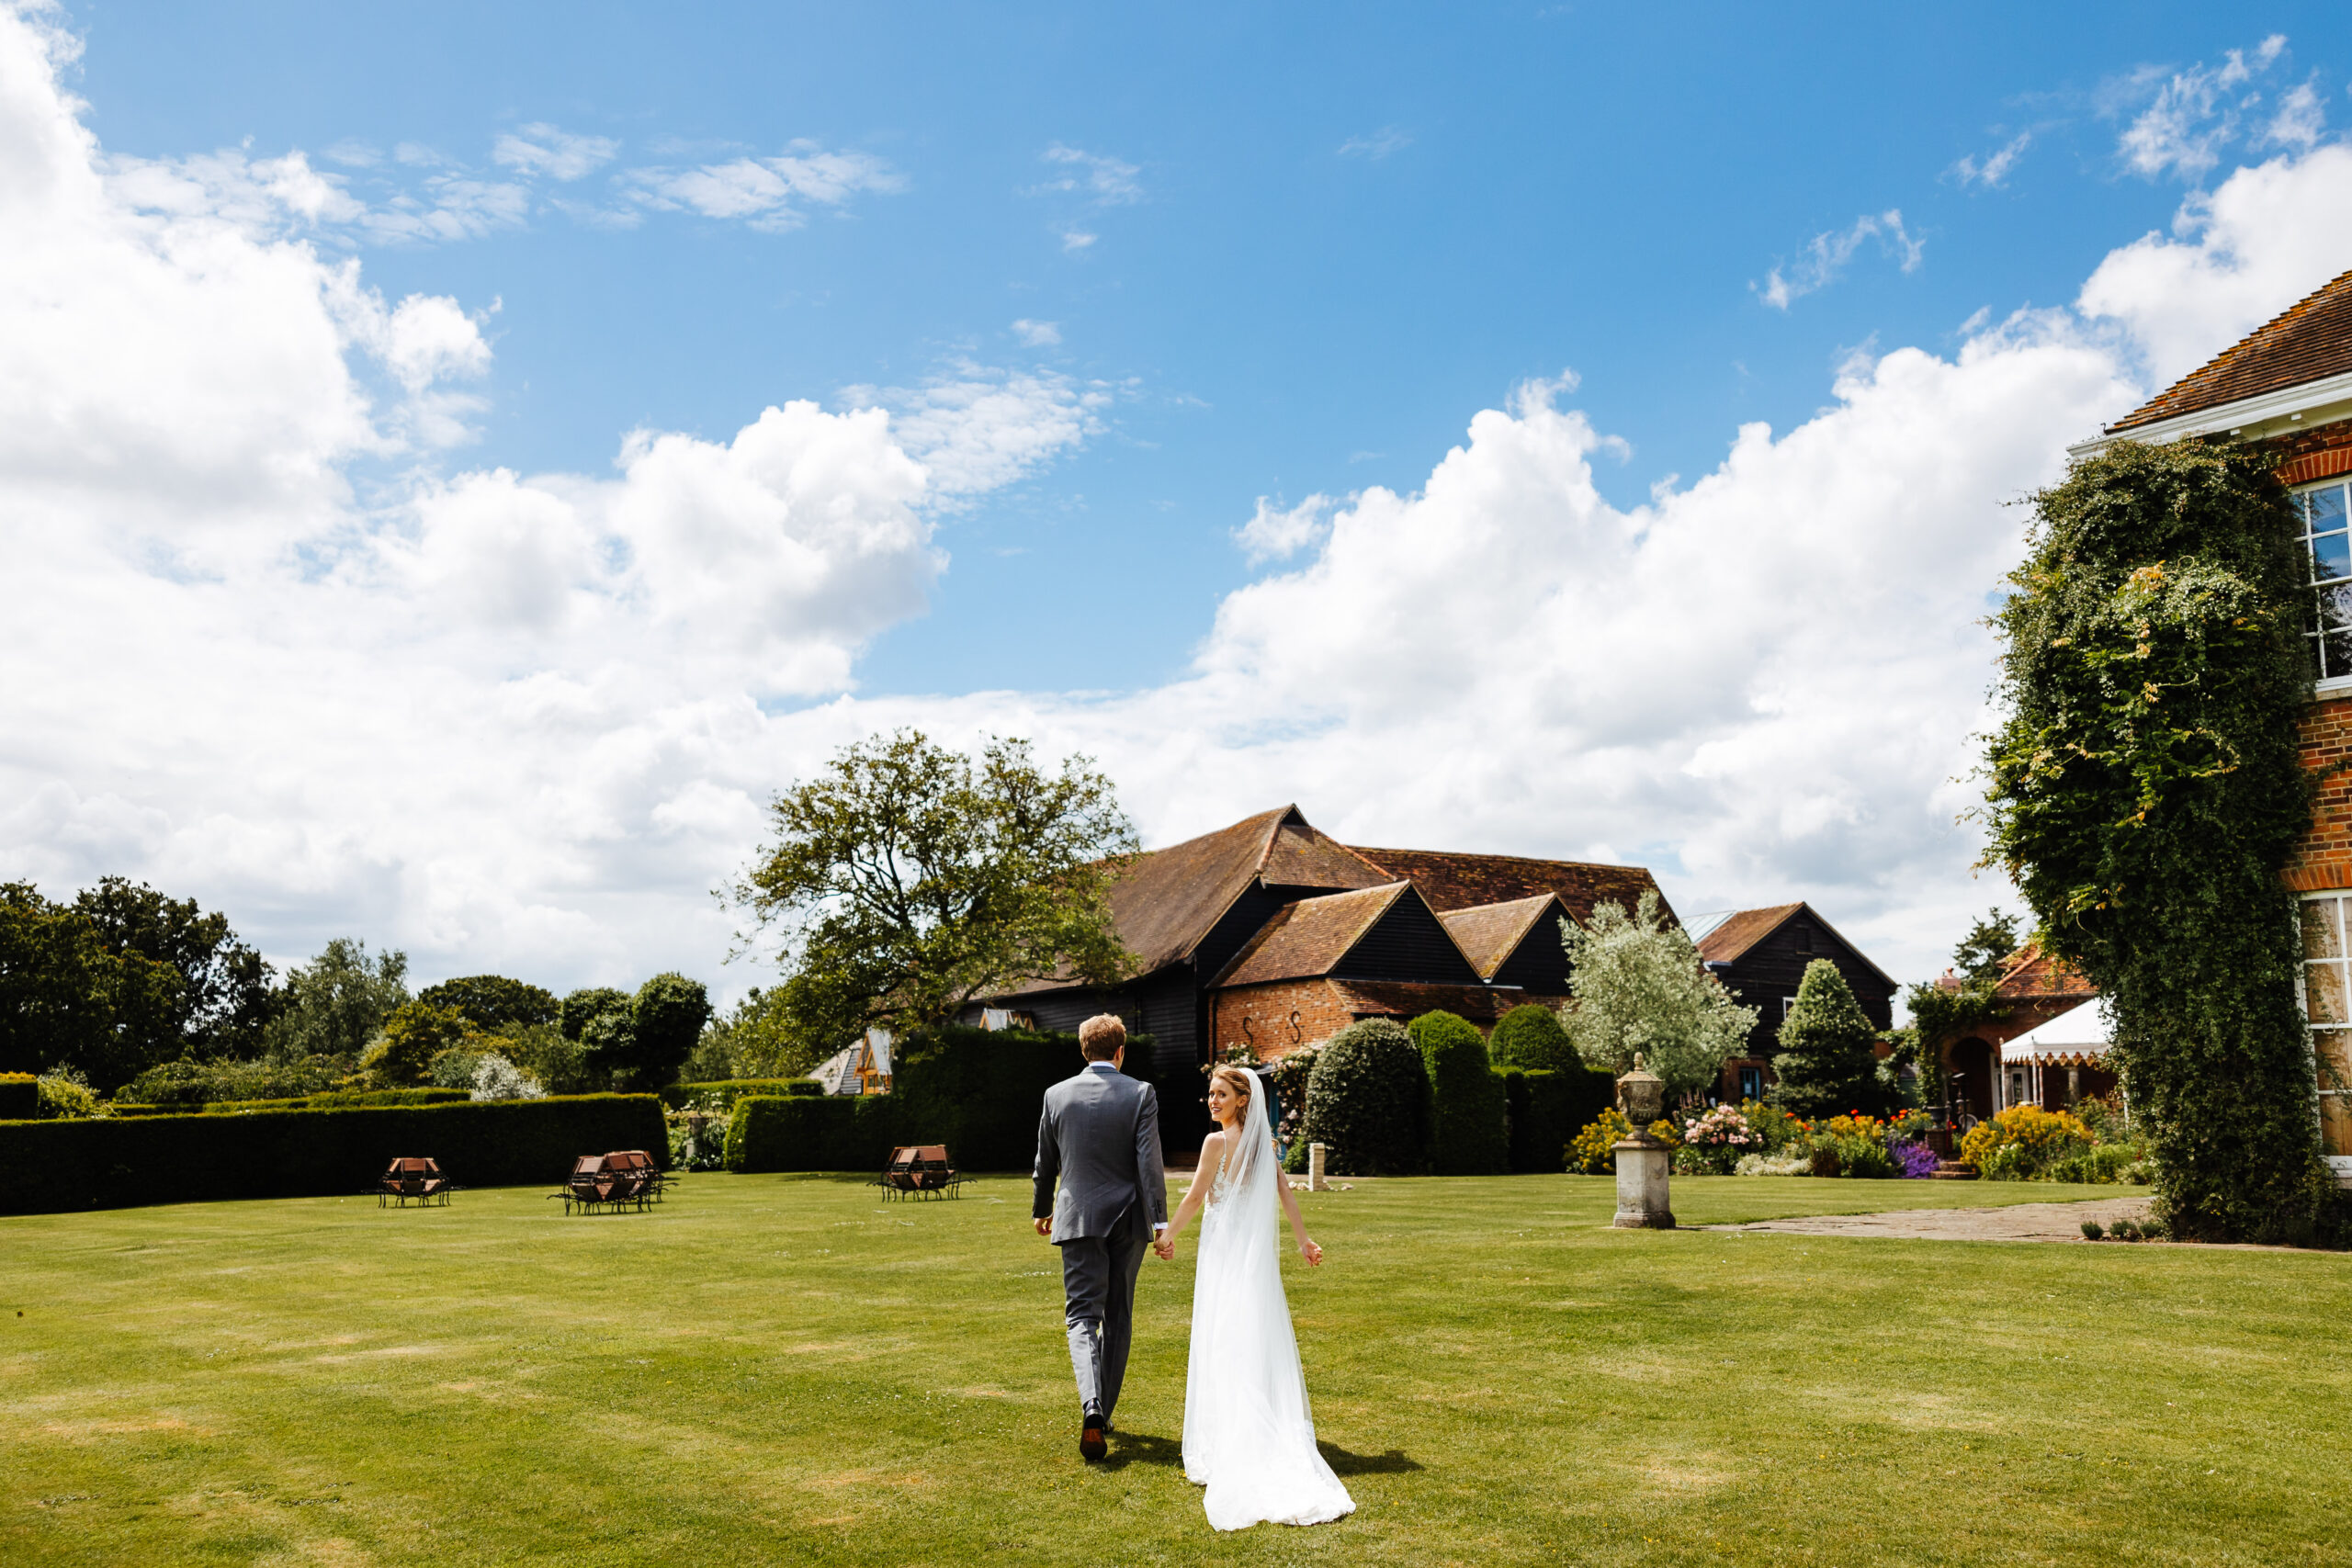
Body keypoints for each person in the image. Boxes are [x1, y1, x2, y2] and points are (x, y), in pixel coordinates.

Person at [1160, 1063, 1355, 1530]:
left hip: (1226, 1253)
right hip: (1250, 1259)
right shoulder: (1262, 1145)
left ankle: (1231, 1441)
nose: (1212, 1101)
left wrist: (1169, 1234)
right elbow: (1285, 1193)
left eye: (1221, 1094)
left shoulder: (1215, 1143)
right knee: (1247, 1337)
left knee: (1224, 1337)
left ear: (1242, 1100)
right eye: (1209, 1094)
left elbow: (1194, 1197)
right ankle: (1241, 1432)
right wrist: (1303, 1240)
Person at [1032, 1013, 1170, 1461]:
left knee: (1080, 1317)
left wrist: (1041, 1209)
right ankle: (1103, 1412)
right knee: (1119, 1315)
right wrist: (1160, 1220)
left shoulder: (1055, 1094)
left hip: (1075, 1218)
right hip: (1129, 1221)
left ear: (1082, 1050)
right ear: (1120, 1051)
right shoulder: (1141, 1093)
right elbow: (1149, 1163)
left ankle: (1091, 1405)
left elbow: (1044, 1161)